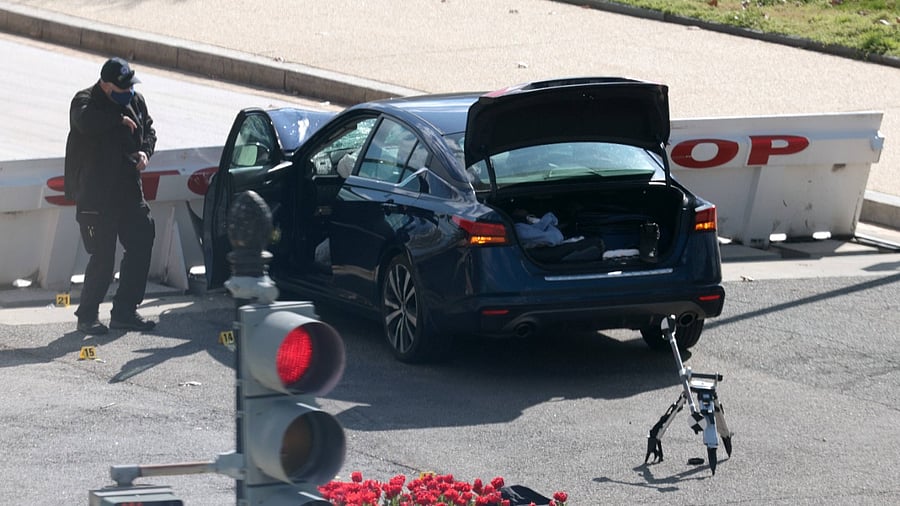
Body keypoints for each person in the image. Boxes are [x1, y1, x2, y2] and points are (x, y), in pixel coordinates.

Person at [64, 57, 158, 335]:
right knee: (103, 257)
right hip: (97, 194)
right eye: (121, 88)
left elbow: (149, 129)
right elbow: (86, 123)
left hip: (128, 188)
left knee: (142, 239)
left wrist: (145, 151)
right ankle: (88, 315)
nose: (127, 92)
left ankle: (125, 311)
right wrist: (118, 120)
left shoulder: (136, 100)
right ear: (105, 86)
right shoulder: (85, 101)